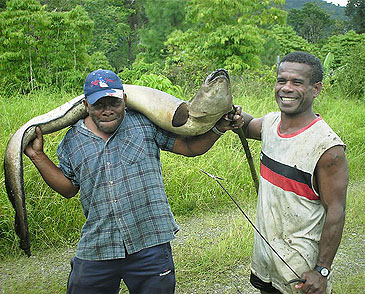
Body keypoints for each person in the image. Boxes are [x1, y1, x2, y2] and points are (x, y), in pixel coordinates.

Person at [24, 69, 244, 294]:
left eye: (114, 103)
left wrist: (218, 129)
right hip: (99, 244)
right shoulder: (73, 141)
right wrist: (38, 156)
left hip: (149, 242)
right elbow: (69, 188)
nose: (107, 111)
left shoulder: (143, 124)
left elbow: (189, 147)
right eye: (99, 105)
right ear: (86, 106)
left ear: (125, 100)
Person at [241, 51, 348, 294]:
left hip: (298, 270)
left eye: (297, 82)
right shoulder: (269, 124)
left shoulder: (328, 149)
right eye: (281, 80)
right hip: (265, 259)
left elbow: (336, 212)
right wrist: (233, 113)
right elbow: (247, 126)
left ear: (316, 89)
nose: (286, 88)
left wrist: (321, 271)